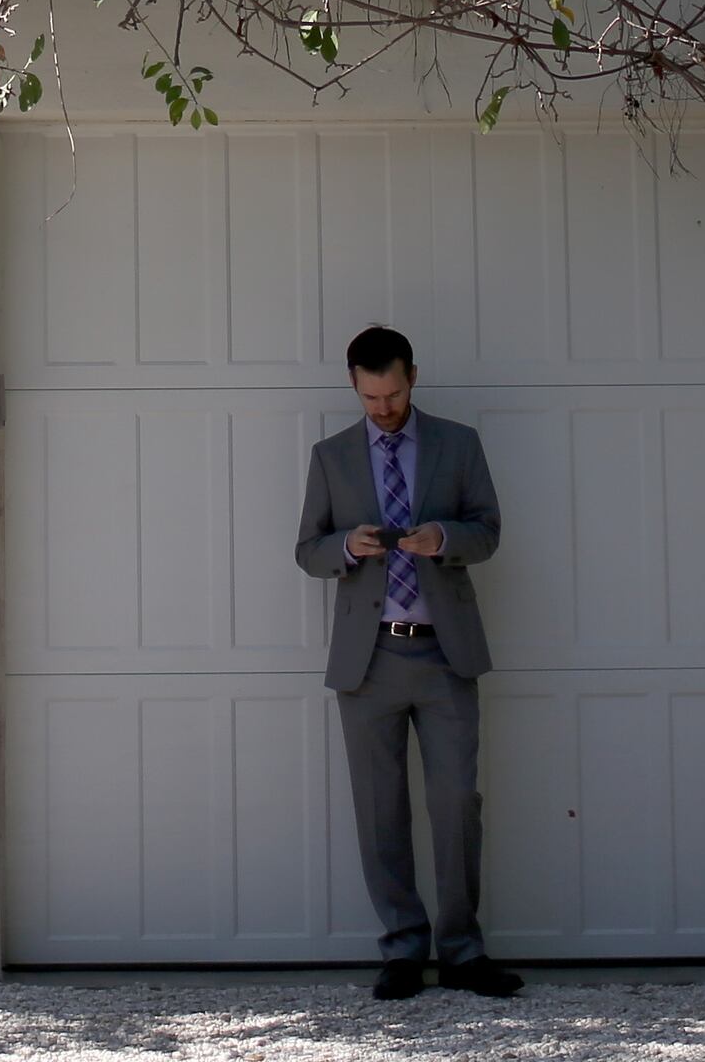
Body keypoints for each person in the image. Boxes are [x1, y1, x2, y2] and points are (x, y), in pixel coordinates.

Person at [295, 324, 521, 1002]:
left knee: (456, 803)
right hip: (368, 659)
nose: (384, 408)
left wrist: (443, 537)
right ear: (354, 387)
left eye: (392, 394)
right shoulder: (331, 456)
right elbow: (307, 550)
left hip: (445, 654)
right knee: (379, 808)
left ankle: (462, 951)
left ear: (412, 377)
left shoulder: (458, 444)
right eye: (370, 398)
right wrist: (349, 546)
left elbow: (488, 530)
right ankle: (402, 950)